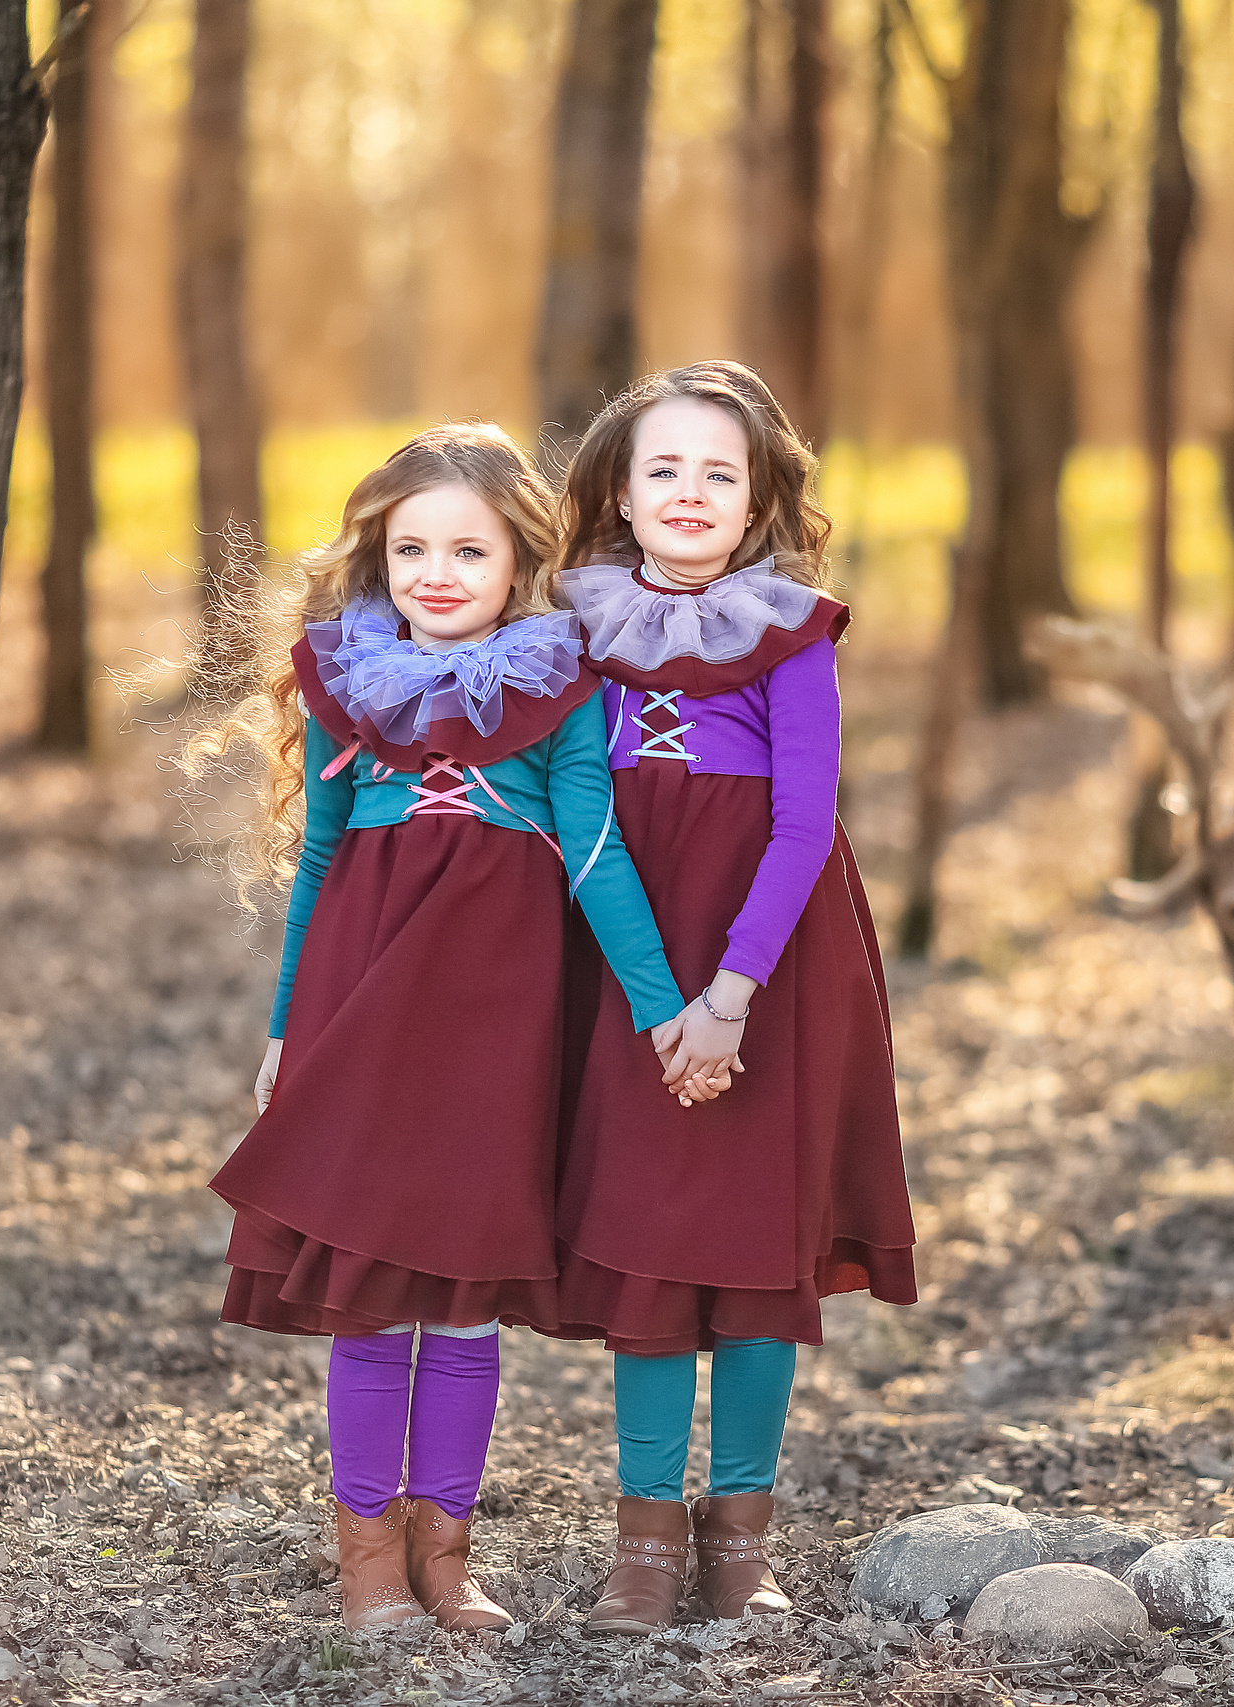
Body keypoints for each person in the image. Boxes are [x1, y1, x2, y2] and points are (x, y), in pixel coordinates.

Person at [195, 424, 719, 1632]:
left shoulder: (556, 683)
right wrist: (286, 1027)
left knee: (467, 1301)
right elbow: (319, 859)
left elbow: (593, 852)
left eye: (467, 551)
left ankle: (448, 1558)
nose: (437, 572)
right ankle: (370, 1566)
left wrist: (663, 1014)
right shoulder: (347, 679)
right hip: (364, 1009)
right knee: (373, 1293)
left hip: (500, 1023)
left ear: (520, 562)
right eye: (411, 547)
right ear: (379, 557)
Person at [547, 362, 918, 1633]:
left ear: (759, 497)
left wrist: (731, 997)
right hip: (628, 971)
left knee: (761, 1251)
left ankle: (740, 1541)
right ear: (619, 491)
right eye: (665, 469)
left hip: (774, 961)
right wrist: (662, 1005)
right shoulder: (571, 632)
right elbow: (577, 820)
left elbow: (805, 819)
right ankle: (645, 1545)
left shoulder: (788, 630)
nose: (692, 492)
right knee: (653, 1244)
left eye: (721, 471)